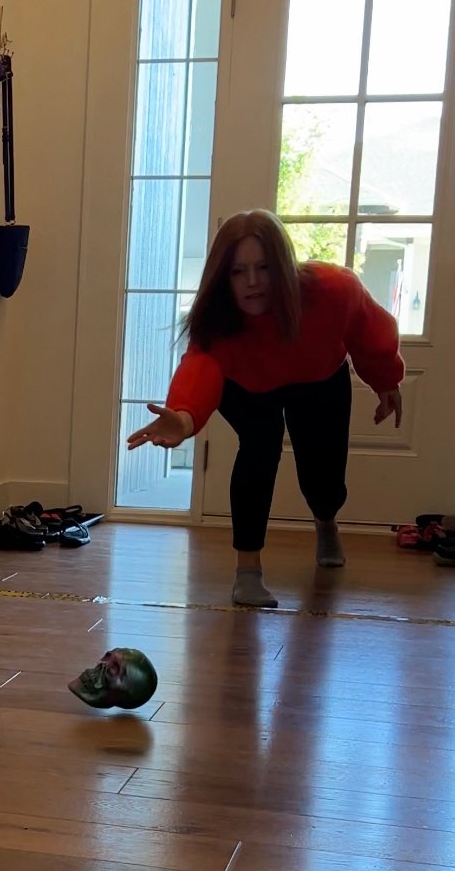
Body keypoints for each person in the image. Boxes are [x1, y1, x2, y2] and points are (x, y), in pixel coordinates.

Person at [127, 211, 404, 608]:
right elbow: (200, 370)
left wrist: (386, 379)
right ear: (224, 277)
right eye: (239, 271)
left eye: (263, 268)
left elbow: (370, 329)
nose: (253, 282)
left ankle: (326, 520)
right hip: (249, 384)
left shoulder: (333, 289)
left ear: (284, 266)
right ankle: (248, 571)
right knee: (260, 447)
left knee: (321, 466)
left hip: (317, 374)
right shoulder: (219, 320)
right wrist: (184, 417)